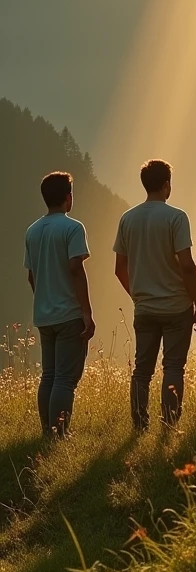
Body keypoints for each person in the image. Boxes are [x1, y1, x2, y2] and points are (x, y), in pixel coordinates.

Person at [114, 159, 196, 430]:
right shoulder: (177, 217)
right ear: (167, 185)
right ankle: (170, 423)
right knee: (173, 367)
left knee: (142, 371)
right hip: (177, 306)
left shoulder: (127, 219)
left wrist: (138, 295)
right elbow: (187, 265)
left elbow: (119, 268)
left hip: (145, 307)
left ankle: (140, 424)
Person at [24, 171, 95, 437]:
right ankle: (60, 433)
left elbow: (31, 275)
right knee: (65, 379)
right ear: (69, 197)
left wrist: (43, 298)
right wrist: (86, 312)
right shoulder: (72, 228)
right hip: (68, 314)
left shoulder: (32, 231)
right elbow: (76, 269)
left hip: (44, 315)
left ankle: (47, 431)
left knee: (49, 376)